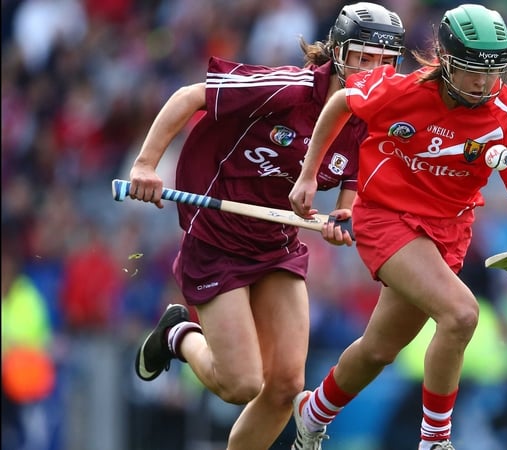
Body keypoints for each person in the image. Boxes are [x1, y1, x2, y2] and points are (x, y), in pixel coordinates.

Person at [126, 3, 405, 449]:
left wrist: (342, 217)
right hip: (217, 238)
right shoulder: (288, 89)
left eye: (385, 61)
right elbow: (189, 96)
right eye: (362, 57)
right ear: (336, 53)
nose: (374, 70)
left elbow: (351, 184)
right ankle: (177, 334)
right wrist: (145, 164)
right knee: (241, 385)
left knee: (285, 386)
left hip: (276, 244)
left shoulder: (370, 117)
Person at [288, 4, 507, 450]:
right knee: (462, 313)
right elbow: (339, 103)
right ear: (445, 59)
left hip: (446, 233)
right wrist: (309, 175)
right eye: (470, 72)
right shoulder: (397, 89)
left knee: (378, 350)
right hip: (384, 217)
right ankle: (435, 441)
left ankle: (312, 412)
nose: (483, 84)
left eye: (492, 71)